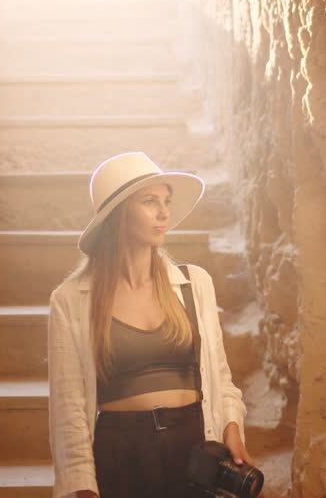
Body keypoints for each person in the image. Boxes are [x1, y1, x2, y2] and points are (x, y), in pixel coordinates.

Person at [47, 151, 252, 498]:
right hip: (121, 455)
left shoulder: (194, 284)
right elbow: (69, 411)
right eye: (149, 201)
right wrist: (82, 487)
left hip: (193, 449)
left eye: (166, 201)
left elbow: (220, 377)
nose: (164, 213)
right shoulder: (71, 300)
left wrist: (232, 425)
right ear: (118, 214)